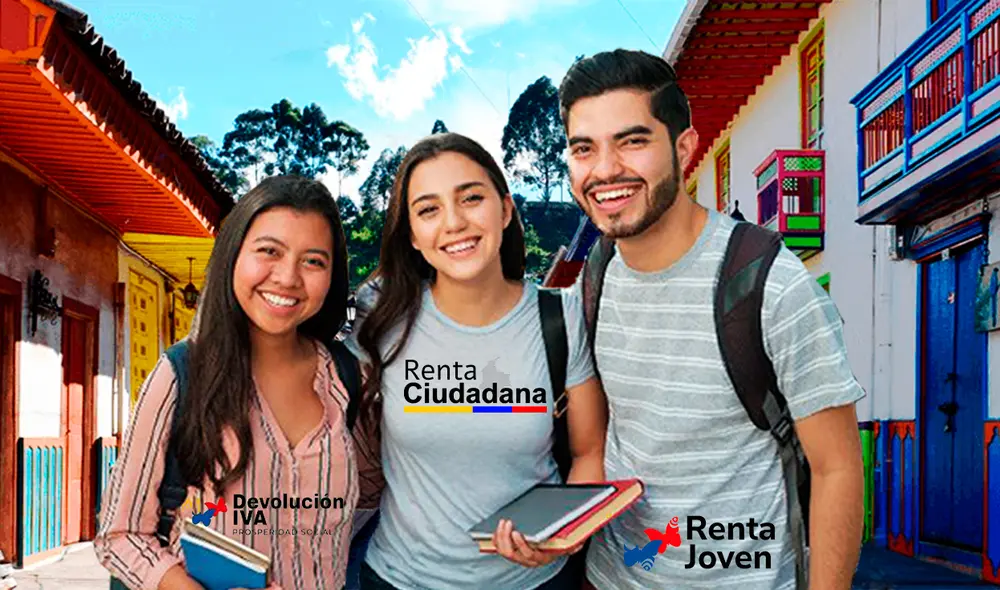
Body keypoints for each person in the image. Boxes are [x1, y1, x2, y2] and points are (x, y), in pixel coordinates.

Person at [557, 50, 866, 589]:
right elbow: (603, 439)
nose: (605, 170)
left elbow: (837, 468)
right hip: (614, 578)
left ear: (684, 148)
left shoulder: (771, 283)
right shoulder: (594, 278)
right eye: (585, 148)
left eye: (632, 141)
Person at [343, 132, 609, 590]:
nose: (454, 222)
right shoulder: (384, 323)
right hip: (399, 579)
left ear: (505, 210)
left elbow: (590, 451)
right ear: (412, 234)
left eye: (471, 198)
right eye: (429, 209)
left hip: (537, 582)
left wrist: (564, 536)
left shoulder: (560, 318)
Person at [94, 176, 368, 590]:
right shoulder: (181, 374)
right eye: (269, 251)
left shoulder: (348, 379)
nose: (288, 277)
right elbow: (120, 536)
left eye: (314, 260)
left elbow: (377, 499)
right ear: (234, 254)